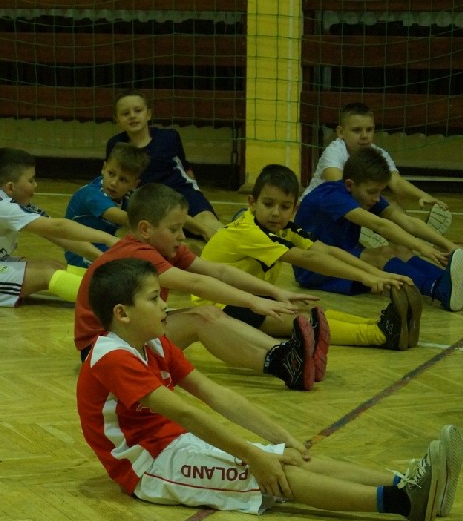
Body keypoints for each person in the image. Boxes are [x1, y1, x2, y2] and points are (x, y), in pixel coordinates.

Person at [76, 257, 463, 521]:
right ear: (122, 313)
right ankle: (405, 502)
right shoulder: (112, 357)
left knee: (288, 460)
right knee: (271, 475)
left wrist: (283, 440)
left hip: (174, 444)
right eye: (154, 298)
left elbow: (214, 393)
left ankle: (409, 482)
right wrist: (254, 456)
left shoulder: (154, 342)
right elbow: (187, 412)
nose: (165, 304)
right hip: (149, 468)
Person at [74, 183, 323, 391]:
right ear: (145, 229)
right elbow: (196, 283)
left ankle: (289, 355)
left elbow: (219, 271)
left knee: (209, 313)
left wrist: (274, 292)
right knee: (201, 318)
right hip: (104, 350)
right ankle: (283, 363)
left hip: (126, 334)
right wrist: (254, 301)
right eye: (174, 229)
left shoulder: (162, 248)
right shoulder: (136, 253)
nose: (182, 236)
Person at [200, 164, 424, 351]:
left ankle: (377, 324)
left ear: (294, 209)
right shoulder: (248, 231)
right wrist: (364, 278)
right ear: (252, 202)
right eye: (268, 204)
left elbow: (327, 251)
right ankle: (379, 335)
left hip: (249, 297)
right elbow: (309, 259)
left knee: (307, 310)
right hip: (218, 307)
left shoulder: (285, 228)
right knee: (299, 321)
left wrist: (378, 274)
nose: (276, 212)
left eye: (284, 206)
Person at [0, 148, 121, 307]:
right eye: (31, 180)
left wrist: (101, 259)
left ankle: (114, 287)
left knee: (52, 265)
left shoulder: (6, 202)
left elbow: (59, 236)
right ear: (10, 187)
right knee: (47, 274)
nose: (35, 185)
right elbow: (59, 226)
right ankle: (115, 300)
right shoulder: (1, 207)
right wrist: (107, 239)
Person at [295, 148, 463, 312]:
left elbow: (406, 221)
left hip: (343, 256)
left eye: (380, 192)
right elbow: (380, 225)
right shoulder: (331, 196)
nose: (376, 198)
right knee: (381, 255)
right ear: (349, 185)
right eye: (372, 192)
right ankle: (438, 291)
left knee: (400, 249)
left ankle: (447, 281)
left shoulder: (363, 193)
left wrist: (450, 246)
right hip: (315, 269)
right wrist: (422, 247)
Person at [301, 102, 453, 241]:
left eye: (369, 129)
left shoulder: (377, 153)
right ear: (341, 132)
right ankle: (378, 234)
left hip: (352, 206)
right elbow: (340, 186)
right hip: (318, 212)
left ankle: (416, 237)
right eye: (357, 130)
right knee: (376, 205)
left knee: (392, 207)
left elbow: (396, 182)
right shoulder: (334, 151)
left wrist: (422, 195)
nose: (364, 136)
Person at [106, 89, 223, 241]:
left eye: (138, 110)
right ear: (117, 120)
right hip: (148, 203)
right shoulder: (116, 145)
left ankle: (234, 242)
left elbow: (185, 169)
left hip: (180, 193)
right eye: (125, 113)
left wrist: (196, 197)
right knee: (169, 234)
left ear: (148, 114)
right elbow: (113, 178)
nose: (132, 116)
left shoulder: (169, 137)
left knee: (209, 222)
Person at [63, 142, 148, 267]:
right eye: (111, 174)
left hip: (105, 244)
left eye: (123, 180)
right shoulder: (92, 195)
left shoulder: (128, 196)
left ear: (134, 184)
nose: (114, 183)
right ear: (104, 168)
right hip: (81, 252)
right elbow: (126, 219)